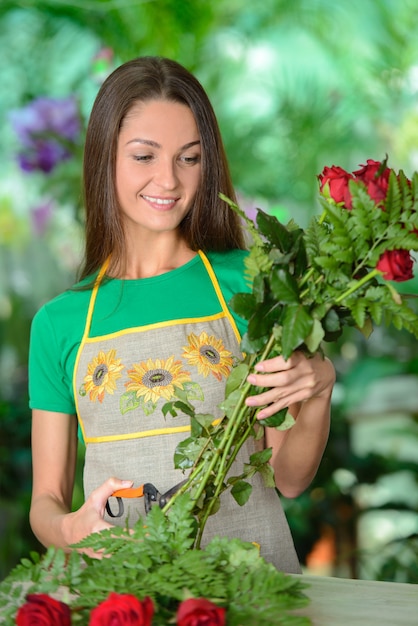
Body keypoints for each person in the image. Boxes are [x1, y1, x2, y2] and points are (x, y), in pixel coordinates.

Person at [28, 56, 336, 574]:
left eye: (188, 159)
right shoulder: (60, 323)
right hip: (125, 595)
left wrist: (320, 390)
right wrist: (69, 531)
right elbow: (47, 499)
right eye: (144, 156)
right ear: (106, 158)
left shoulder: (253, 282)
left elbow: (289, 477)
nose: (168, 180)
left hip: (255, 594)